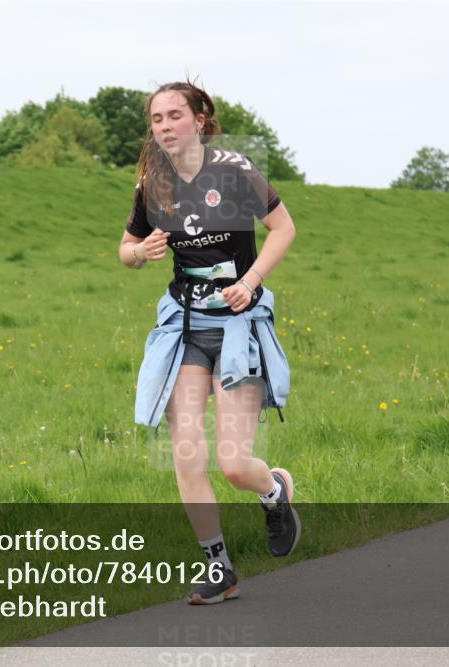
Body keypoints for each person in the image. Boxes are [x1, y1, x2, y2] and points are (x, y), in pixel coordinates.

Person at [118, 79, 300, 605]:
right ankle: (220, 567)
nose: (164, 127)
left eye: (174, 115)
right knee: (186, 456)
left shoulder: (235, 170)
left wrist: (251, 281)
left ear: (199, 119)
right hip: (186, 331)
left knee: (235, 464)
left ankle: (274, 492)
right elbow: (125, 250)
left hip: (238, 331)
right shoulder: (153, 184)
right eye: (156, 119)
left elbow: (283, 229)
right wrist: (142, 252)